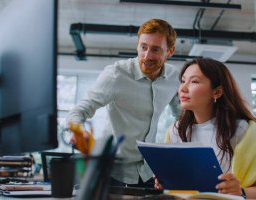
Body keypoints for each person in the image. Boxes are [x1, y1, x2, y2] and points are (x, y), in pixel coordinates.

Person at [67, 18, 180, 187]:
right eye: (143, 47)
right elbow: (78, 111)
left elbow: (183, 115)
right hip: (112, 171)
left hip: (148, 172)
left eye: (155, 49)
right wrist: (79, 131)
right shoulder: (116, 74)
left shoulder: (173, 77)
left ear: (170, 52)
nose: (146, 56)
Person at [155, 58, 256, 199]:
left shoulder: (242, 131)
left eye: (194, 81)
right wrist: (166, 181)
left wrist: (240, 191)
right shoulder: (176, 131)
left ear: (217, 92)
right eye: (183, 81)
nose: (183, 89)